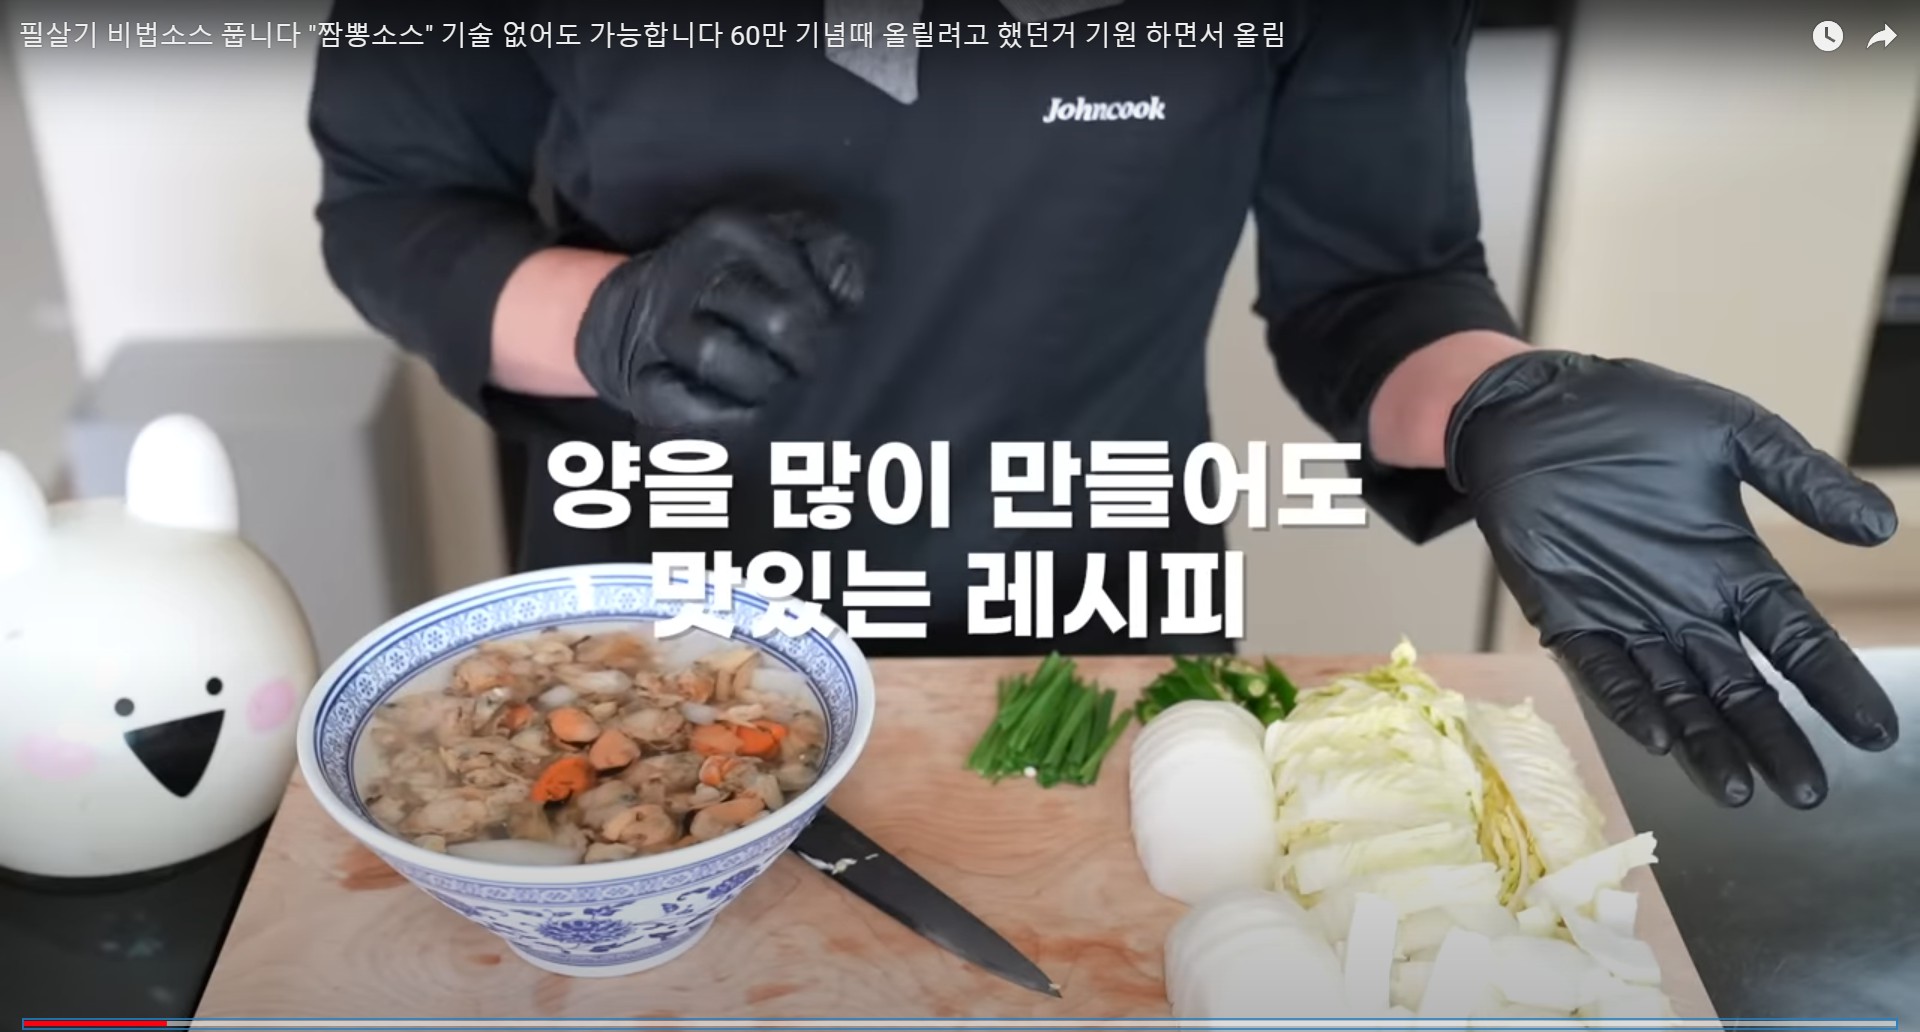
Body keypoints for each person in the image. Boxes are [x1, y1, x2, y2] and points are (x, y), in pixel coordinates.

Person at [309, 0, 1898, 810]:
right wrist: (601, 318)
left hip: (1088, 626)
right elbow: (395, 201)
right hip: (646, 631)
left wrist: (1508, 403)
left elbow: (1378, 282)